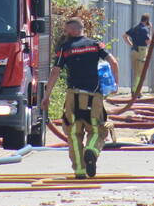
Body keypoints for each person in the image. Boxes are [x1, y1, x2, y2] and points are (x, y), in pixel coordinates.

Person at [40, 18, 119, 179]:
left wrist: (46, 96)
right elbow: (113, 62)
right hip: (94, 96)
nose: (65, 33)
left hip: (73, 97)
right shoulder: (96, 45)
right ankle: (91, 150)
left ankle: (80, 170)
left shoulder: (65, 48)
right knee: (97, 130)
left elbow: (55, 72)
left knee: (74, 134)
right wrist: (115, 84)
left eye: (66, 30)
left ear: (73, 30)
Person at [123, 14, 152, 89]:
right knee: (141, 73)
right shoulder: (145, 29)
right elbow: (148, 41)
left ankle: (134, 90)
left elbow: (124, 36)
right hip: (142, 51)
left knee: (135, 72)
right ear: (147, 21)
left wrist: (131, 44)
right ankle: (137, 91)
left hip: (133, 51)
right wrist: (149, 30)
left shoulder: (134, 28)